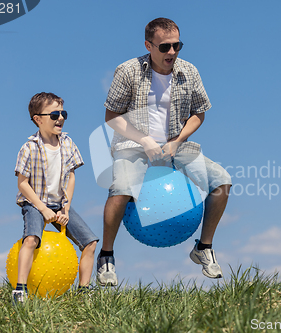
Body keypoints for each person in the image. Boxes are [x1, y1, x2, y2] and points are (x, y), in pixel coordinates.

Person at [97, 17, 232, 286]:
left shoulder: (189, 72)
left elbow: (199, 113)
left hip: (175, 146)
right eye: (164, 47)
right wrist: (145, 141)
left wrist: (176, 141)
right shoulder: (127, 71)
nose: (172, 52)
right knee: (122, 188)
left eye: (177, 45)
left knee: (222, 181)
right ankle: (106, 256)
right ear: (149, 45)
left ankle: (203, 248)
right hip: (134, 146)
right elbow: (112, 116)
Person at [13, 92, 99, 303]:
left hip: (60, 204)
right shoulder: (29, 148)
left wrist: (65, 210)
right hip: (35, 203)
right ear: (38, 119)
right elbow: (22, 184)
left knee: (91, 242)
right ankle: (20, 290)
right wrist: (43, 209)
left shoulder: (68, 144)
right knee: (32, 239)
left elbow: (71, 177)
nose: (60, 118)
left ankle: (84, 293)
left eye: (63, 113)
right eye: (54, 114)